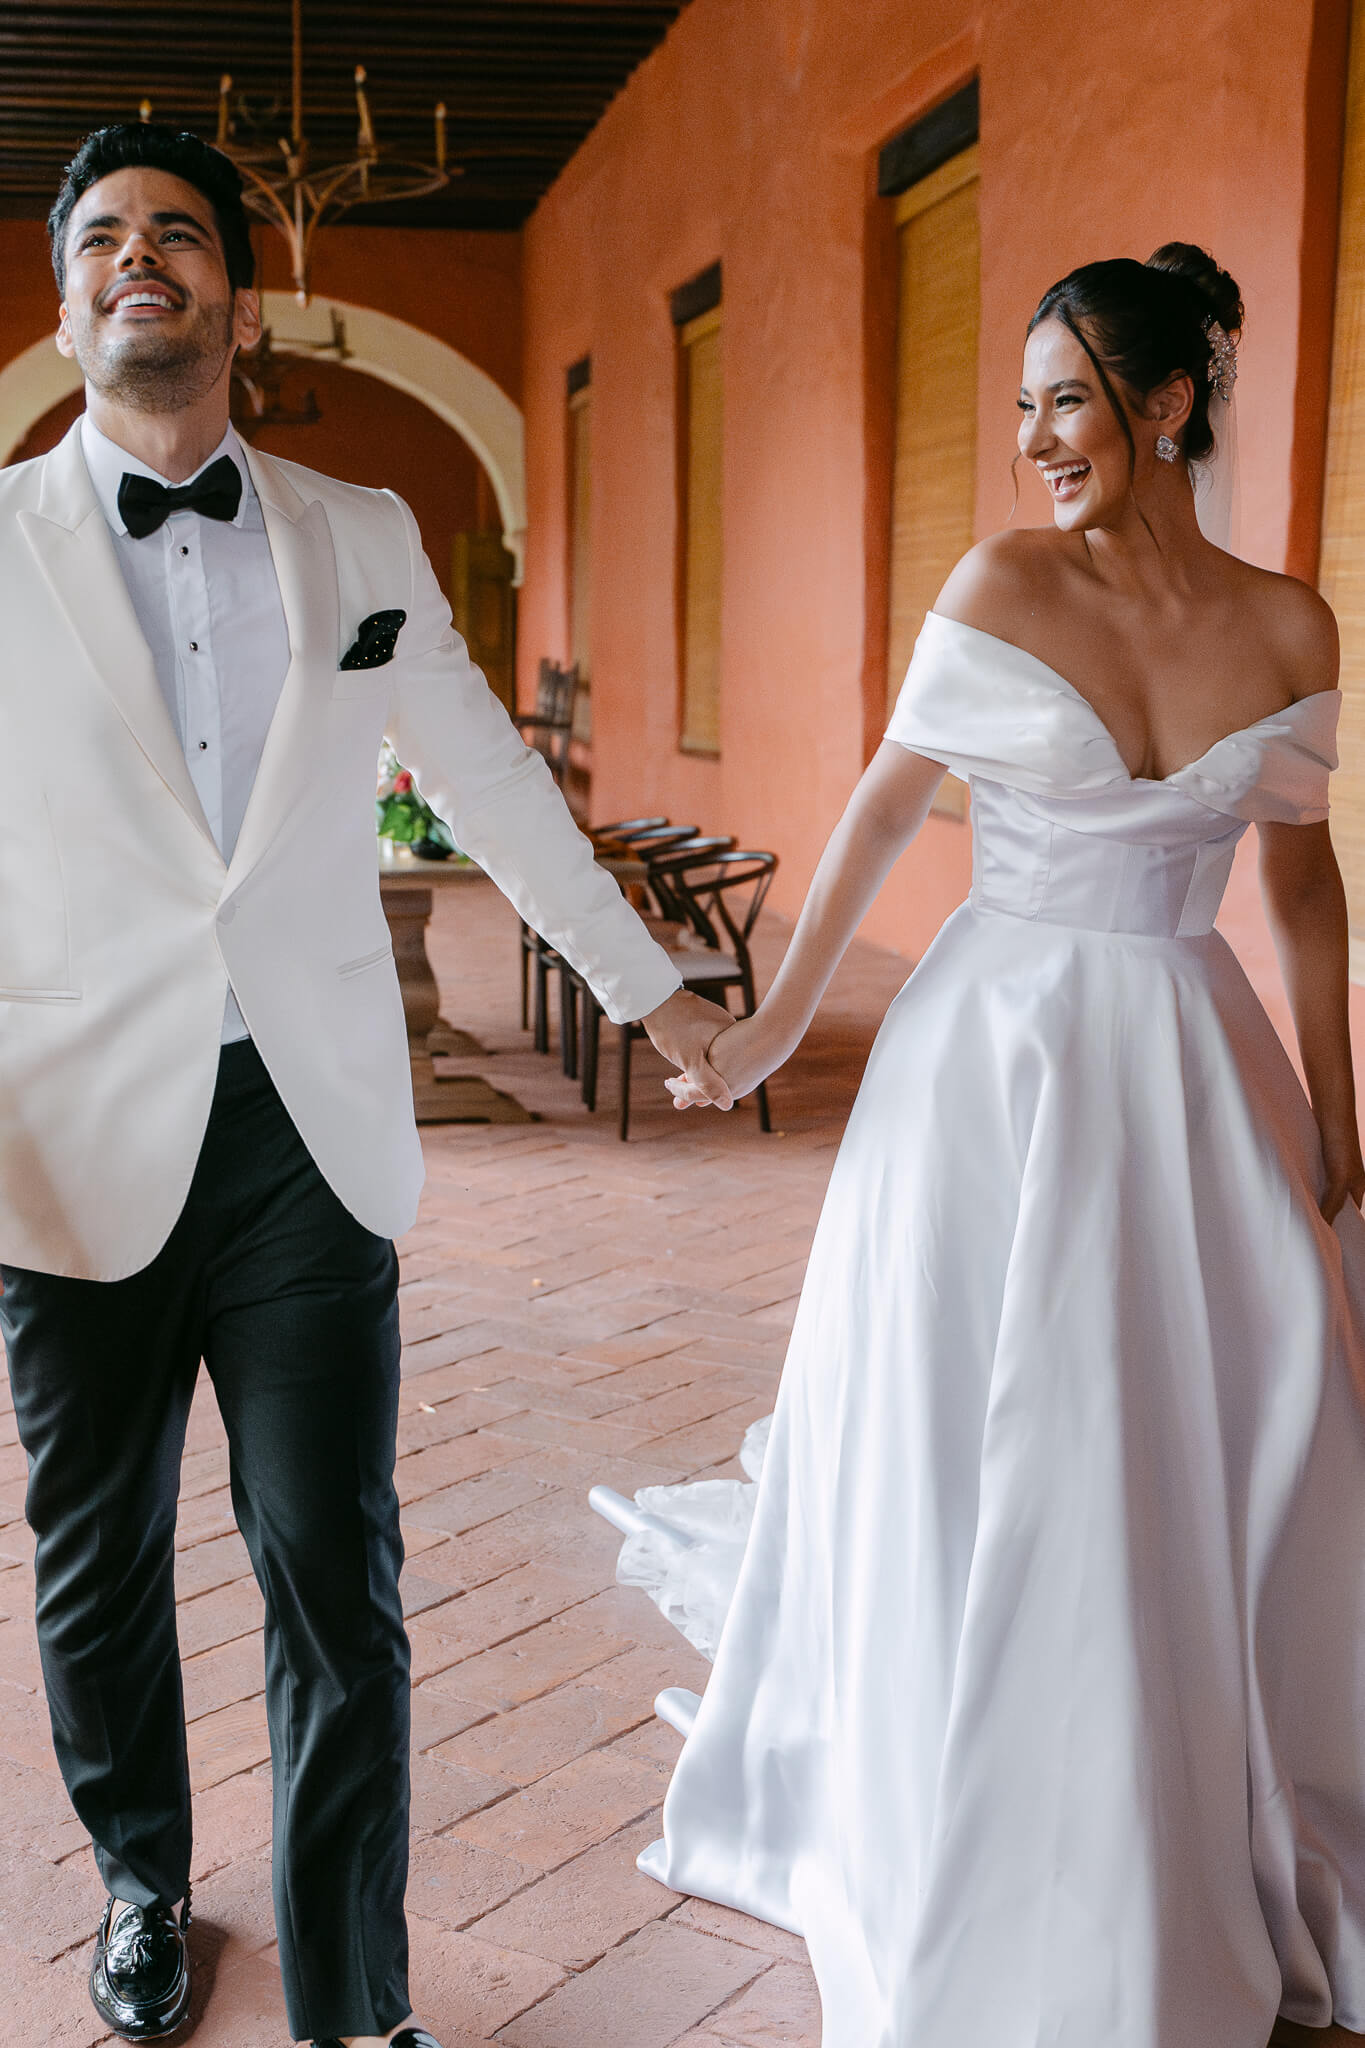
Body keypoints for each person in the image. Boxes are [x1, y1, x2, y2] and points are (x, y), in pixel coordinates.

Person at [0, 122, 730, 2048]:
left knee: (336, 1561)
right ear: (67, 303)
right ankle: (144, 1881)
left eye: (175, 233)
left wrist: (650, 995)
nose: (136, 258)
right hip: (62, 1135)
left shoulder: (365, 534)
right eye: (99, 239)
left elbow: (494, 789)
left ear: (239, 293)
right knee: (99, 1558)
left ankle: (355, 1998)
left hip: (308, 1131)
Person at [638, 245, 1365, 2047]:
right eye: (1024, 402)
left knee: (1213, 1405)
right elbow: (886, 809)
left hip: (1185, 1054)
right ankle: (964, 1744)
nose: (1038, 436)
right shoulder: (998, 581)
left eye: (1068, 397)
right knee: (965, 1403)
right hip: (987, 1060)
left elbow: (1296, 879)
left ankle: (1195, 1772)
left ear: (1168, 403)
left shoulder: (1290, 625)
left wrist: (1339, 1111)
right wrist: (769, 1026)